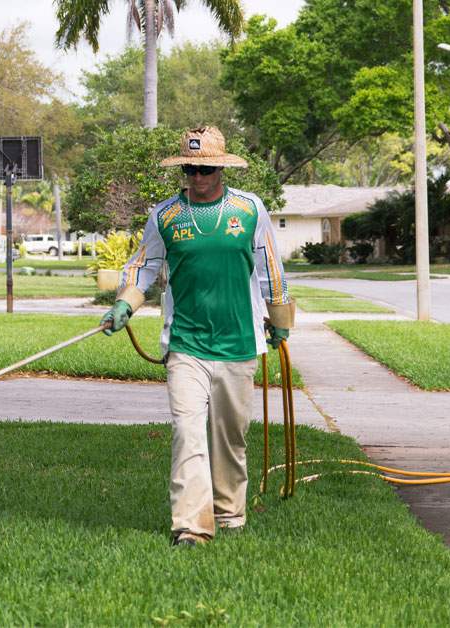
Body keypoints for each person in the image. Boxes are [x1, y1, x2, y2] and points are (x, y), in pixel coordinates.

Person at [101, 126, 293, 547]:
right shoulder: (165, 216)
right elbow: (142, 267)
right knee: (188, 433)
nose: (198, 176)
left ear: (220, 169)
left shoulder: (249, 209)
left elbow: (270, 268)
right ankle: (191, 526)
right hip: (186, 344)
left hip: (239, 342)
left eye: (205, 168)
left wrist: (280, 317)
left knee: (229, 438)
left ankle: (229, 512)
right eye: (191, 168)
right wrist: (125, 303)